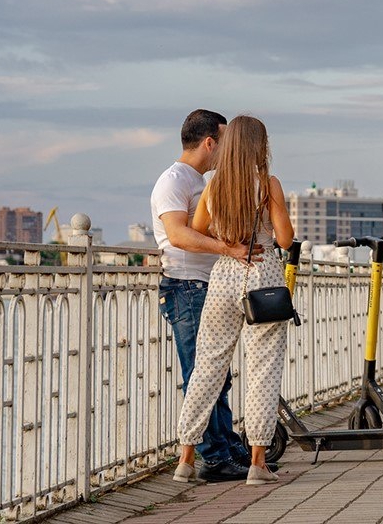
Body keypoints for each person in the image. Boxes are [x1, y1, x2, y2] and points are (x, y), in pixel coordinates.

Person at [178, 115, 294, 486]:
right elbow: (286, 239)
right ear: (261, 146)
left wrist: (229, 240)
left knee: (208, 365)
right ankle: (257, 464)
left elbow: (197, 229)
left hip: (224, 276)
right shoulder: (267, 184)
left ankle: (186, 458)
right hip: (262, 275)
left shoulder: (214, 185)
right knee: (263, 369)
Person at [151, 109, 256, 484]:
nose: (227, 152)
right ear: (210, 142)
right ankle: (214, 458)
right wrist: (229, 249)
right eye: (225, 144)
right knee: (203, 374)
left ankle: (228, 449)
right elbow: (178, 235)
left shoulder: (198, 181)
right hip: (186, 286)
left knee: (218, 374)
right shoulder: (173, 181)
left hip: (205, 288)